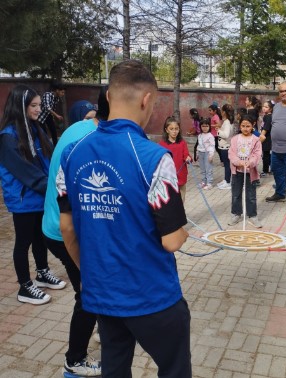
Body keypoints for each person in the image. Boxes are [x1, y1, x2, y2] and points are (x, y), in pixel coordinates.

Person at [58, 60, 191, 377]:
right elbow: (172, 240)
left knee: (115, 367)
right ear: (147, 100)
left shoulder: (71, 153)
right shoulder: (155, 157)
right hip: (153, 296)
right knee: (174, 370)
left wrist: (93, 272)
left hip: (102, 294)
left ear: (108, 95)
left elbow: (67, 228)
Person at [43, 92, 109, 377]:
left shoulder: (79, 128)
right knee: (88, 293)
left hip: (54, 226)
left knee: (93, 288)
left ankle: (102, 331)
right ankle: (75, 359)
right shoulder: (93, 141)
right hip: (64, 231)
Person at [0, 84, 66, 305]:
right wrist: (52, 188)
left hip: (40, 196)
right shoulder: (8, 137)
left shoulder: (35, 129)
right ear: (20, 106)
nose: (39, 109)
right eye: (34, 106)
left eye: (39, 105)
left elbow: (47, 161)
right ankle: (24, 286)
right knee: (23, 241)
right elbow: (24, 171)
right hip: (24, 199)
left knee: (40, 238)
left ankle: (42, 272)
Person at [228, 114, 263, 228]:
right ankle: (236, 214)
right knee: (236, 194)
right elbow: (231, 154)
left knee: (251, 195)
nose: (245, 128)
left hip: (250, 173)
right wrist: (238, 162)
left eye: (248, 126)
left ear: (253, 126)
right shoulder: (234, 139)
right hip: (237, 172)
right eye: (243, 126)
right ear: (240, 126)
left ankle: (252, 216)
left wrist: (250, 162)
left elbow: (257, 155)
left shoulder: (256, 140)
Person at [159, 117, 192, 201]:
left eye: (176, 129)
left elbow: (186, 155)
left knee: (181, 199)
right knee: (170, 200)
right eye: (171, 129)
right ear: (167, 130)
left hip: (181, 176)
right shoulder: (162, 144)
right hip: (167, 177)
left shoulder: (182, 143)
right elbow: (158, 158)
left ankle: (180, 213)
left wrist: (188, 158)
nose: (174, 131)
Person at [38, 81, 65, 146]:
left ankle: (56, 146)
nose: (63, 94)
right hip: (40, 116)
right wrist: (57, 115)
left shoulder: (57, 98)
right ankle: (46, 147)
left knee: (53, 131)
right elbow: (47, 107)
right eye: (62, 92)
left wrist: (54, 116)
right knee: (44, 133)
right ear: (57, 90)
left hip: (48, 115)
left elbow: (52, 109)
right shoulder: (47, 95)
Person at [216, 104, 234, 190]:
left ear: (224, 112)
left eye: (222, 111)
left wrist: (218, 131)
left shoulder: (227, 122)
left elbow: (226, 134)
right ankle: (226, 180)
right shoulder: (227, 121)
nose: (221, 112)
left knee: (227, 165)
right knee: (227, 165)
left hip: (226, 147)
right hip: (225, 146)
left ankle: (228, 181)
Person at [197, 118, 215, 190]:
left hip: (207, 153)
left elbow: (212, 146)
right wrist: (197, 153)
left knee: (208, 168)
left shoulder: (210, 136)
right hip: (201, 153)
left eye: (206, 126)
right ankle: (204, 181)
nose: (205, 128)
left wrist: (211, 155)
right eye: (203, 126)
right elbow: (199, 145)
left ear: (209, 127)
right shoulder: (200, 135)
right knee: (202, 168)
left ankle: (209, 183)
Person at [259, 100, 274, 177]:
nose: (264, 108)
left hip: (266, 138)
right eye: (263, 106)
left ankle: (265, 171)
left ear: (270, 109)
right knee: (266, 154)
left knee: (266, 155)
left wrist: (260, 138)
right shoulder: (266, 116)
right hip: (266, 138)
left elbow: (266, 128)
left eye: (266, 107)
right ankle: (269, 170)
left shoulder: (268, 117)